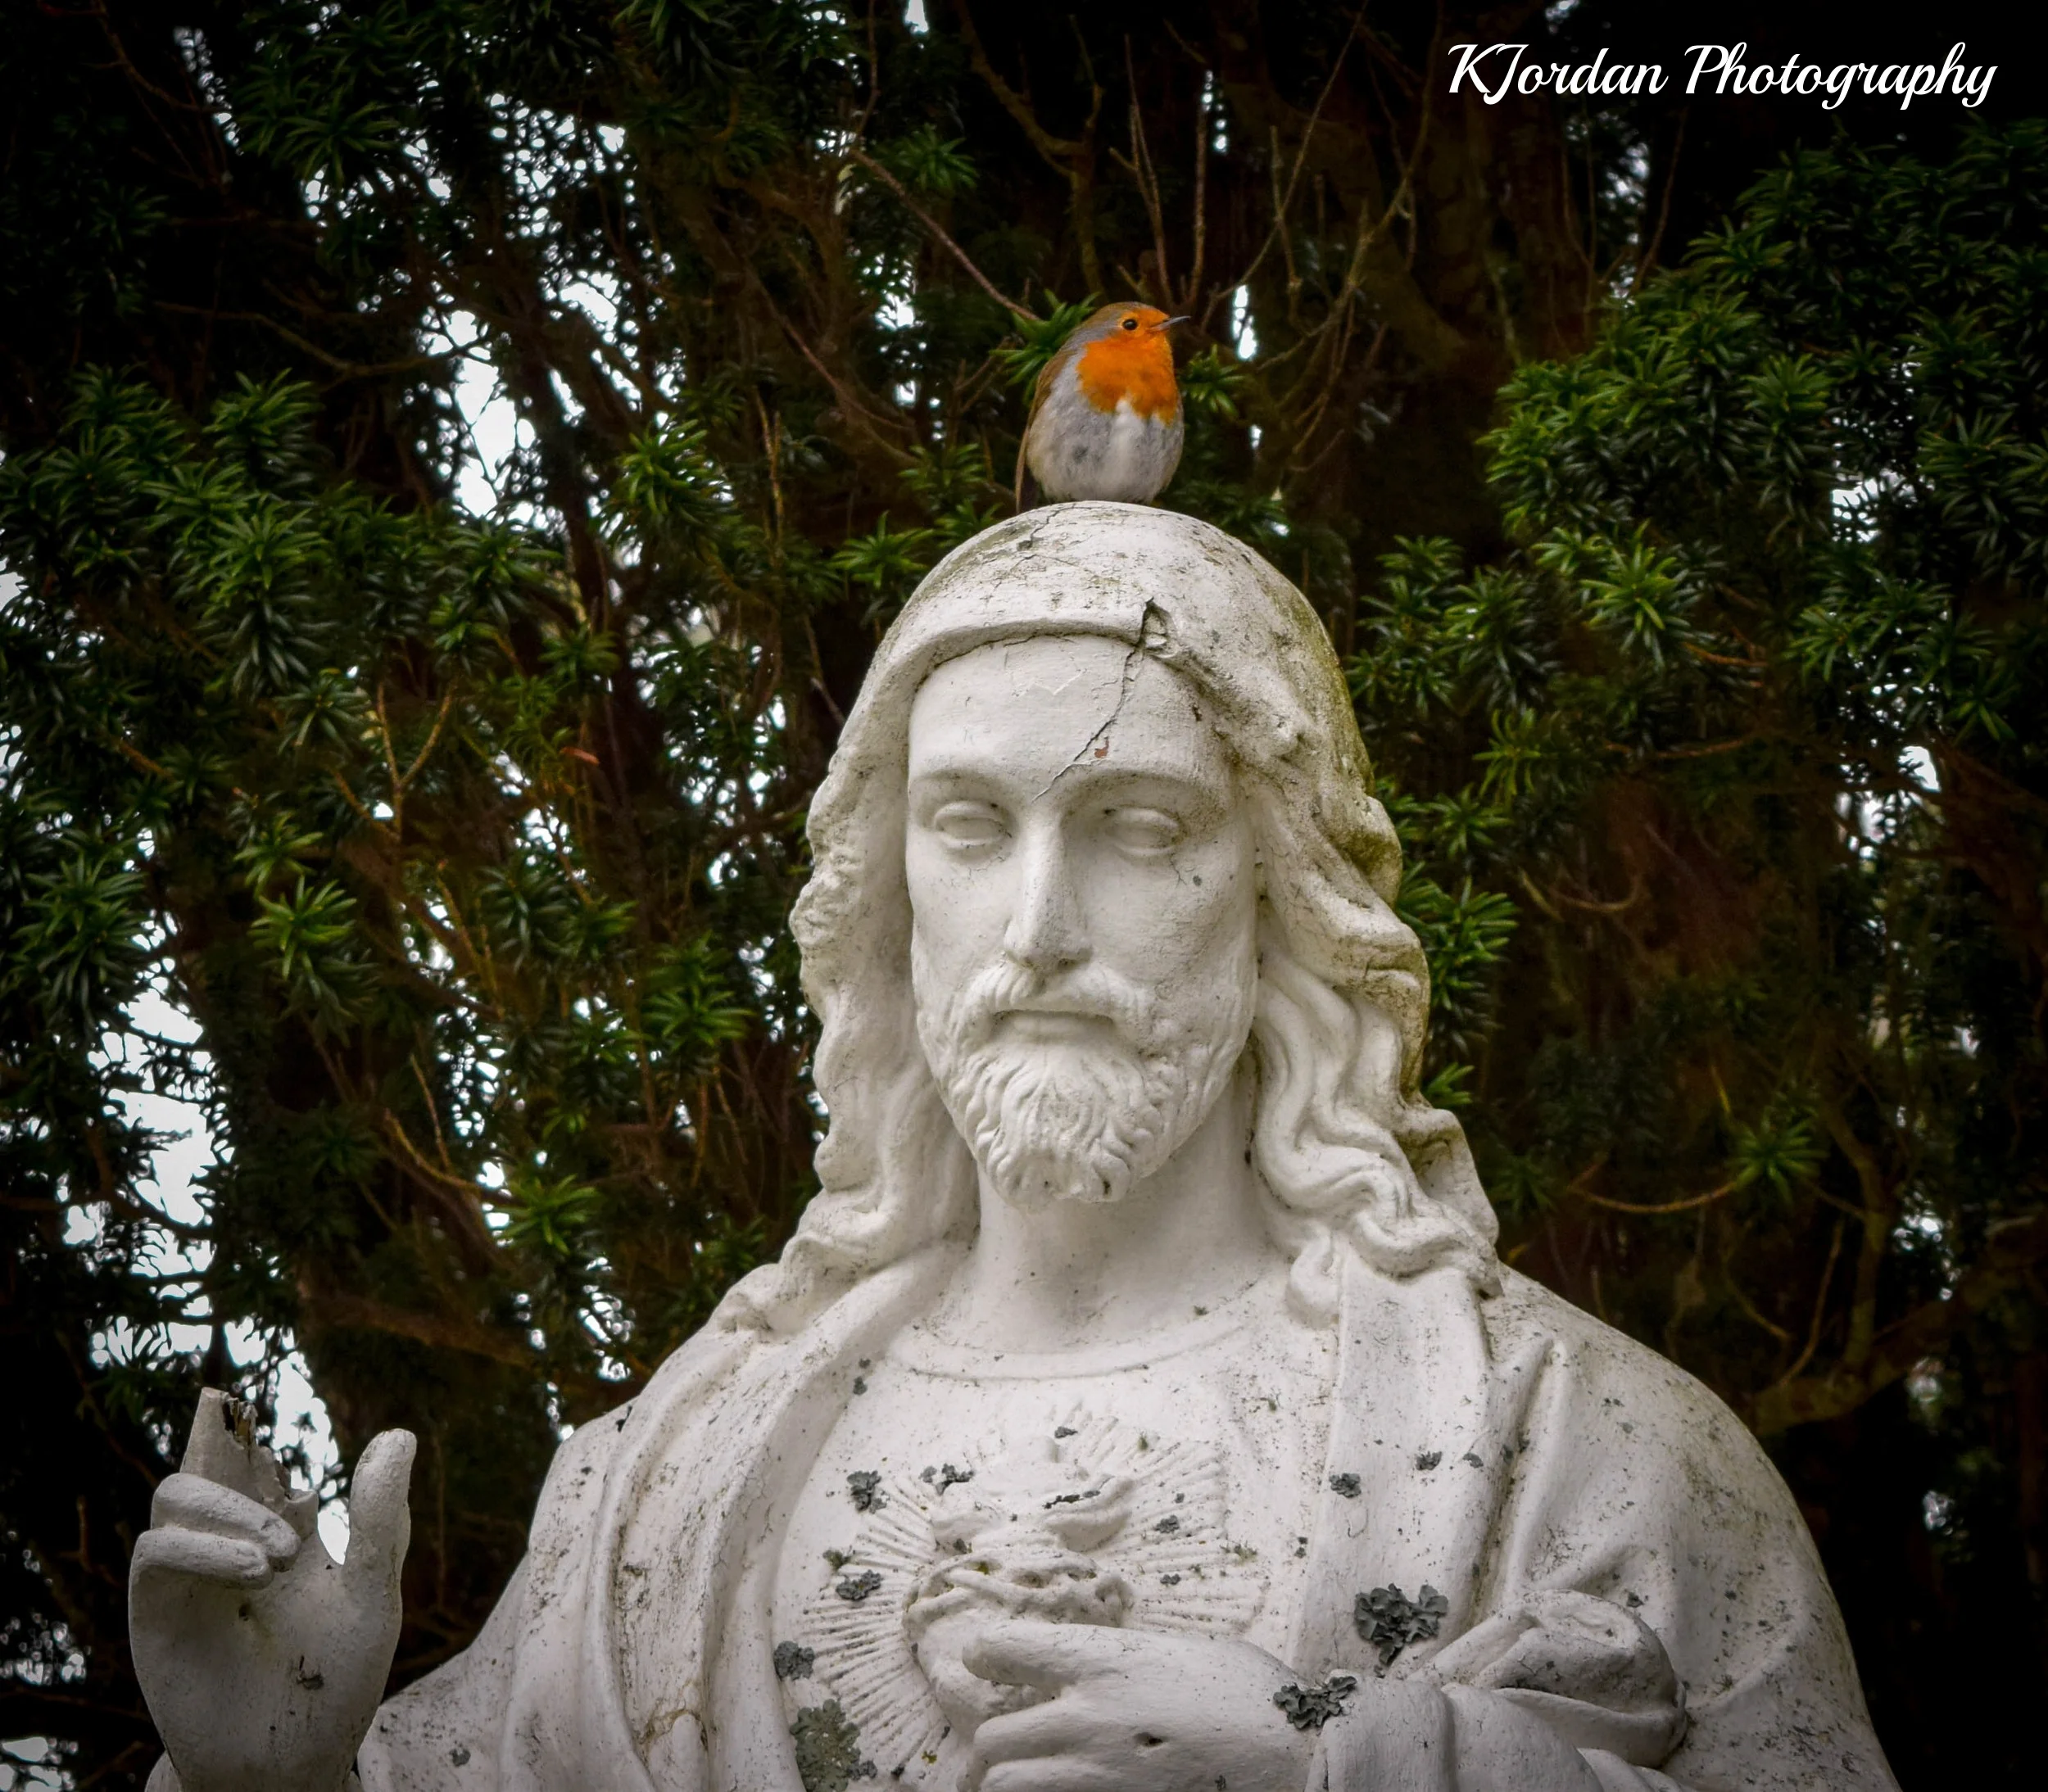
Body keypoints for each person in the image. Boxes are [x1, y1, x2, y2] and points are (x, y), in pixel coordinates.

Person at [131, 503, 1899, 1792]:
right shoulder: (664, 1480)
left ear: (1278, 892)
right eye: (971, 825)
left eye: (1137, 824)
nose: (1038, 928)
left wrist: (1340, 1761)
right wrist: (270, 1783)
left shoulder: (1580, 1451)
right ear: (893, 892)